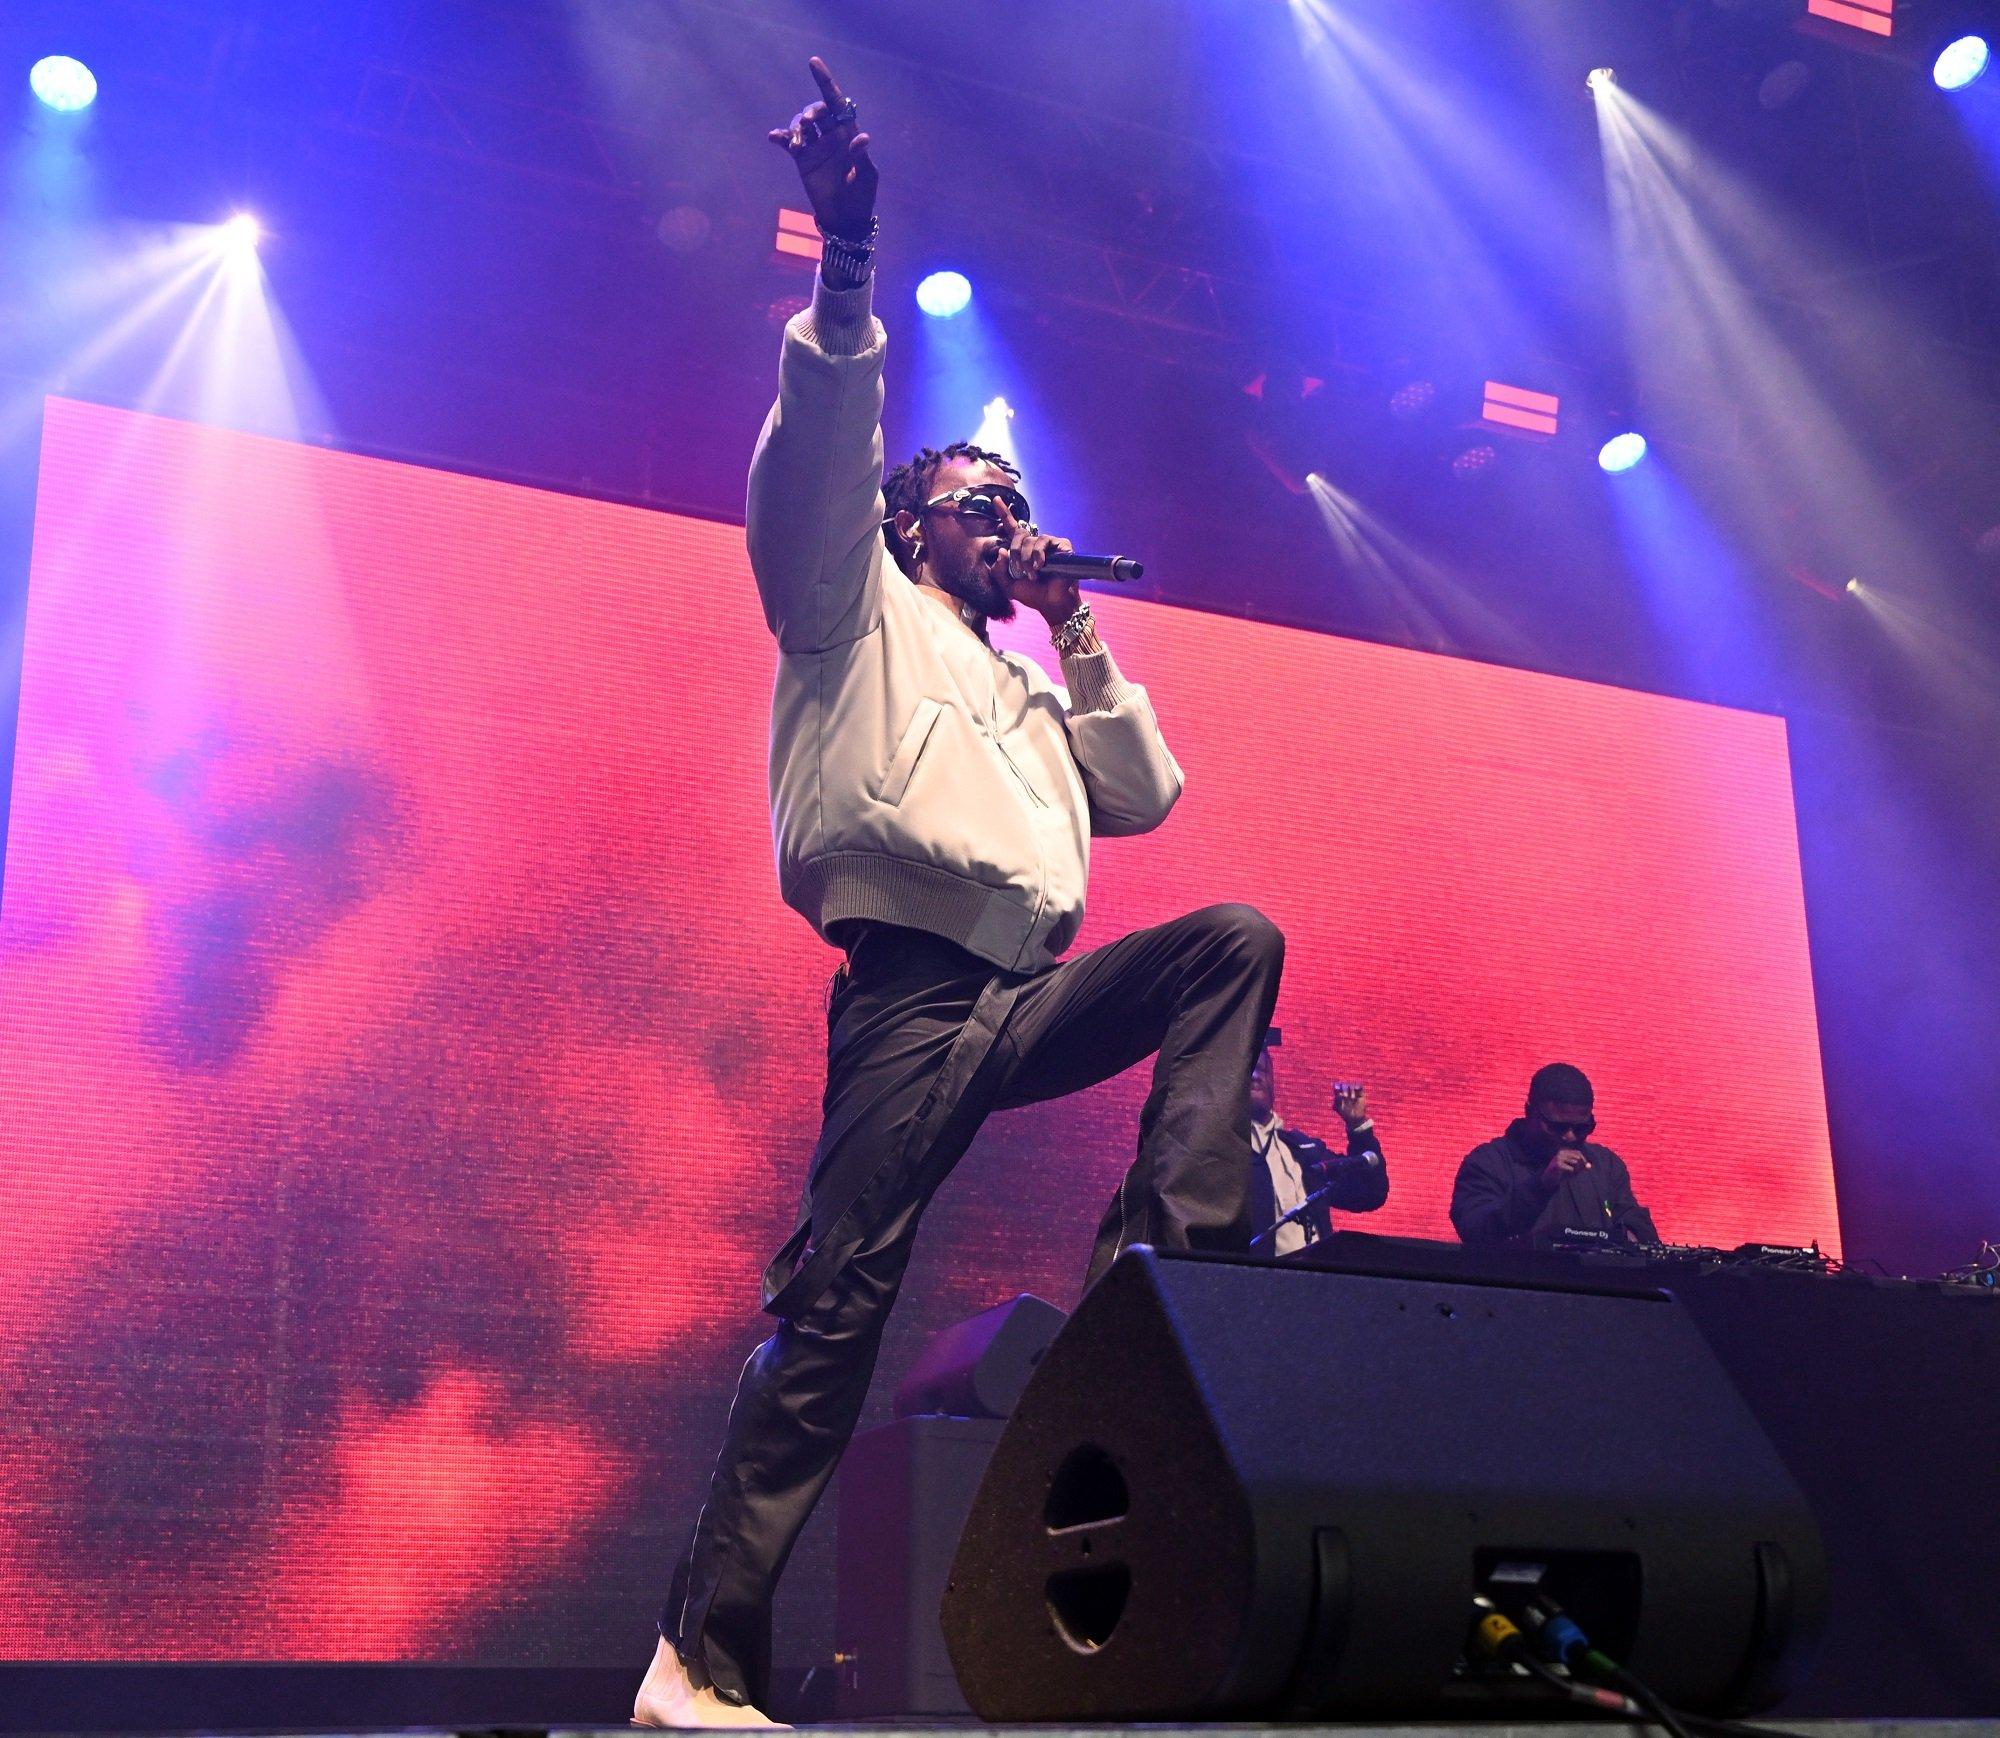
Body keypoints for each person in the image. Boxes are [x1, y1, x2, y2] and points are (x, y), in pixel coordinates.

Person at [634, 58, 1285, 1728]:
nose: (1010, 522)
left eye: (1022, 506)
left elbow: (1144, 798)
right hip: (914, 992)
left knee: (1230, 938)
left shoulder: (1022, 673)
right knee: (839, 1299)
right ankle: (697, 1653)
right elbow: (822, 444)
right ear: (914, 521)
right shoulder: (846, 597)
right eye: (982, 506)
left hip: (1023, 990)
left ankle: (1178, 1265)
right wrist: (848, 265)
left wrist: (1074, 627)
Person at [1449, 1062, 1659, 1249]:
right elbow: (1474, 1229)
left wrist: (1632, 1237)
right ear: (1529, 1112)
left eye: (1582, 1128)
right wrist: (1541, 1186)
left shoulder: (1606, 1165)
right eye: (1557, 1127)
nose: (1569, 1136)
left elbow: (1633, 1219)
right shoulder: (1488, 1162)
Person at [1244, 1034, 1388, 1254]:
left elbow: (1369, 1192)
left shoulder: (1302, 1150)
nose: (1255, 1076)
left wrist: (1358, 1126)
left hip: (1314, 1280)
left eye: (1262, 1070)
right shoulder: (1220, 1151)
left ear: (1273, 1081)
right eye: (1247, 1070)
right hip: (1256, 1280)